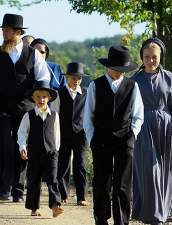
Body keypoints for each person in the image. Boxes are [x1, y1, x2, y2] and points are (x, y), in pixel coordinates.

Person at [0, 13, 50, 202]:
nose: (4, 34)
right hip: (1, 104)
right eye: (3, 31)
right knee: (3, 142)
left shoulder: (33, 54)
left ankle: (18, 189)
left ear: (18, 32)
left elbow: (44, 78)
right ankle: (3, 189)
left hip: (25, 105)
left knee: (21, 145)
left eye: (7, 31)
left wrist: (40, 100)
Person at [130, 38, 172, 225]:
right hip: (143, 129)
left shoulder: (171, 79)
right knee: (150, 171)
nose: (150, 61)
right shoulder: (133, 81)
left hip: (167, 130)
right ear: (142, 57)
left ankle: (160, 214)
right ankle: (153, 216)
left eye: (154, 57)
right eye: (146, 57)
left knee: (167, 172)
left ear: (160, 56)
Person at [83, 45, 144, 225]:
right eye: (117, 70)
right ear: (108, 66)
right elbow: (89, 116)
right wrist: (92, 139)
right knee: (102, 184)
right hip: (100, 140)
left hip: (125, 139)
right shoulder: (95, 85)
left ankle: (122, 222)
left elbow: (138, 115)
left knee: (123, 184)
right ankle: (101, 219)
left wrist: (132, 135)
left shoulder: (133, 86)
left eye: (123, 70)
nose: (120, 73)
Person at [17, 80, 64, 217]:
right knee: (34, 181)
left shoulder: (54, 115)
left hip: (51, 153)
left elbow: (57, 135)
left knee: (53, 179)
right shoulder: (28, 115)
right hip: (35, 153)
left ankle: (55, 206)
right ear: (33, 98)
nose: (41, 99)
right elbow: (22, 133)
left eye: (44, 97)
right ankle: (34, 208)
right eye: (38, 96)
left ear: (49, 99)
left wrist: (55, 151)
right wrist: (23, 147)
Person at [51, 62, 89, 206]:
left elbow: (90, 113)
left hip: (81, 134)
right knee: (63, 164)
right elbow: (55, 116)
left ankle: (82, 197)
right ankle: (63, 194)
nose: (76, 81)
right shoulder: (59, 93)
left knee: (80, 163)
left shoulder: (86, 93)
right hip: (63, 133)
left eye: (79, 79)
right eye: (73, 78)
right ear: (67, 77)